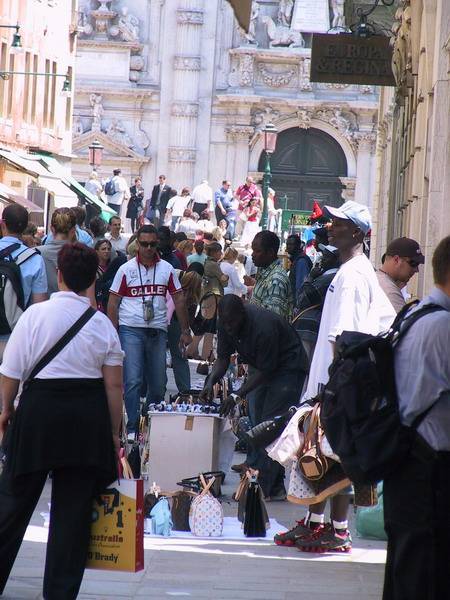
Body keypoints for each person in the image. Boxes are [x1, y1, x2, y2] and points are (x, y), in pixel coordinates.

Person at [0, 242, 123, 599]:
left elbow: (11, 372)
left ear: (59, 275)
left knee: (13, 503)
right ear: (92, 280)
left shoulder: (34, 316)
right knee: (73, 513)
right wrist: (114, 433)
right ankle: (59, 593)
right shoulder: (102, 325)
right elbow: (113, 385)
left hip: (39, 412)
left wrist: (6, 410)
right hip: (86, 417)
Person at [281, 200, 396, 554]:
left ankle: (339, 530)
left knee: (333, 455)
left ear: (358, 233)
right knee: (318, 454)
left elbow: (344, 340)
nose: (329, 226)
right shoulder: (349, 271)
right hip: (331, 383)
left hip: (336, 385)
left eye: (339, 224)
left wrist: (331, 392)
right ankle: (316, 523)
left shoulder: (352, 277)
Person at [382, 235, 450, 600]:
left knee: (406, 573)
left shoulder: (415, 313)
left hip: (406, 465)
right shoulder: (444, 327)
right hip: (429, 472)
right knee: (424, 578)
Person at [201, 295, 307, 499]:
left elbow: (267, 370)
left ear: (243, 313)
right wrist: (211, 381)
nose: (229, 327)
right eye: (226, 323)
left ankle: (263, 488)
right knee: (257, 420)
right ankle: (273, 486)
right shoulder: (225, 322)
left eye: (232, 322)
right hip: (262, 366)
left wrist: (235, 395)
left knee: (270, 423)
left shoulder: (262, 326)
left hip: (288, 367)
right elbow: (223, 358)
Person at [107, 225, 192, 437]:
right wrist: (112, 333)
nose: (148, 248)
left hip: (157, 330)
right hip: (131, 329)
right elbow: (113, 302)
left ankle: (149, 420)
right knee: (133, 380)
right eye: (144, 244)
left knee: (158, 384)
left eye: (152, 244)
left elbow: (179, 299)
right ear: (137, 243)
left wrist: (185, 330)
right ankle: (133, 426)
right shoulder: (125, 269)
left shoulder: (166, 269)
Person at [0, 204, 48, 357]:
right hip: (15, 336)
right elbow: (38, 305)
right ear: (26, 227)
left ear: (2, 224)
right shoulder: (34, 259)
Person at [245, 230, 293, 321]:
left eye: (257, 251)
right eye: (253, 250)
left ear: (270, 252)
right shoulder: (265, 272)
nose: (252, 254)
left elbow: (271, 324)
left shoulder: (276, 282)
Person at [377, 237, 425, 313]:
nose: (416, 270)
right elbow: (405, 324)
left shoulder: (378, 280)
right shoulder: (389, 291)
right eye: (413, 263)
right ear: (396, 260)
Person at [39, 208, 77, 295]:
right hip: (73, 307)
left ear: (52, 229)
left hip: (43, 306)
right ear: (73, 231)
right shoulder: (83, 255)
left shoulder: (36, 254)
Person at [94, 239, 127, 313]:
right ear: (97, 251)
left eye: (108, 249)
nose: (106, 251)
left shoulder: (115, 267)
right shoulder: (93, 268)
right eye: (103, 249)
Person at [286, 234, 312, 305]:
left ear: (298, 246)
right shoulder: (296, 259)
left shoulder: (301, 261)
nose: (288, 247)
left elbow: (301, 287)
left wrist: (297, 307)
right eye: (287, 244)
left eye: (291, 244)